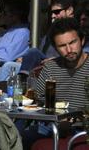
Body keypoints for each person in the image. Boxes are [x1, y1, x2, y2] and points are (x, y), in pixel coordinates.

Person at [20, 17, 89, 150]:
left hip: (82, 128)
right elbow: (35, 99)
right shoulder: (51, 67)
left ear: (82, 40)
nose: (69, 50)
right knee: (19, 135)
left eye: (73, 42)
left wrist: (75, 120)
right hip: (52, 125)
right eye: (62, 46)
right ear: (55, 48)